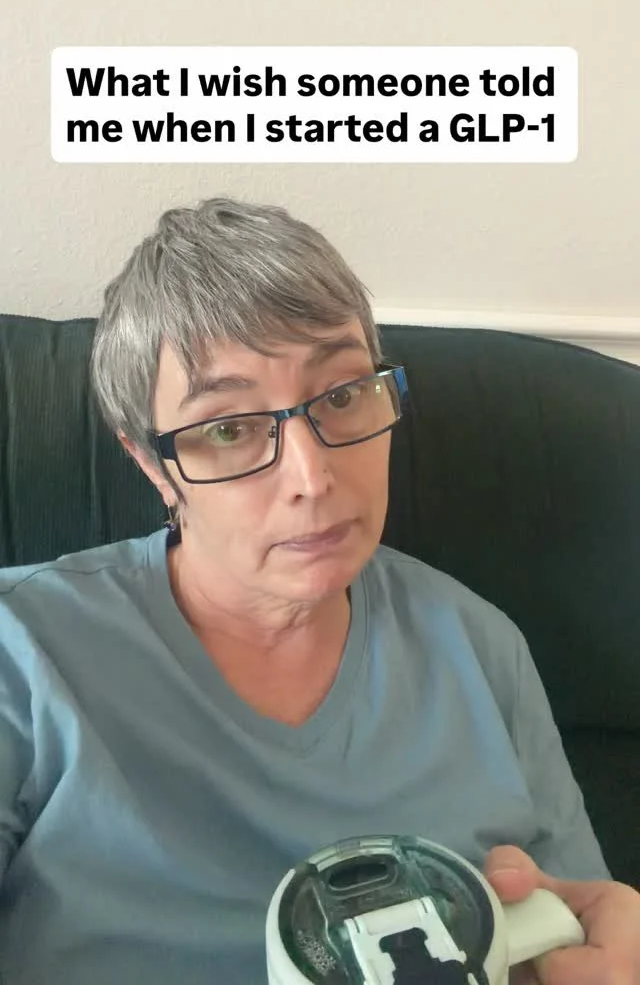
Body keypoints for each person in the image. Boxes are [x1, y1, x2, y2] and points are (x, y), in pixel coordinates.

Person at [0, 197, 637, 985]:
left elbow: (580, 928)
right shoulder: (22, 656)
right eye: (229, 428)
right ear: (151, 465)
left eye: (341, 395)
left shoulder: (481, 646)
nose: (312, 477)